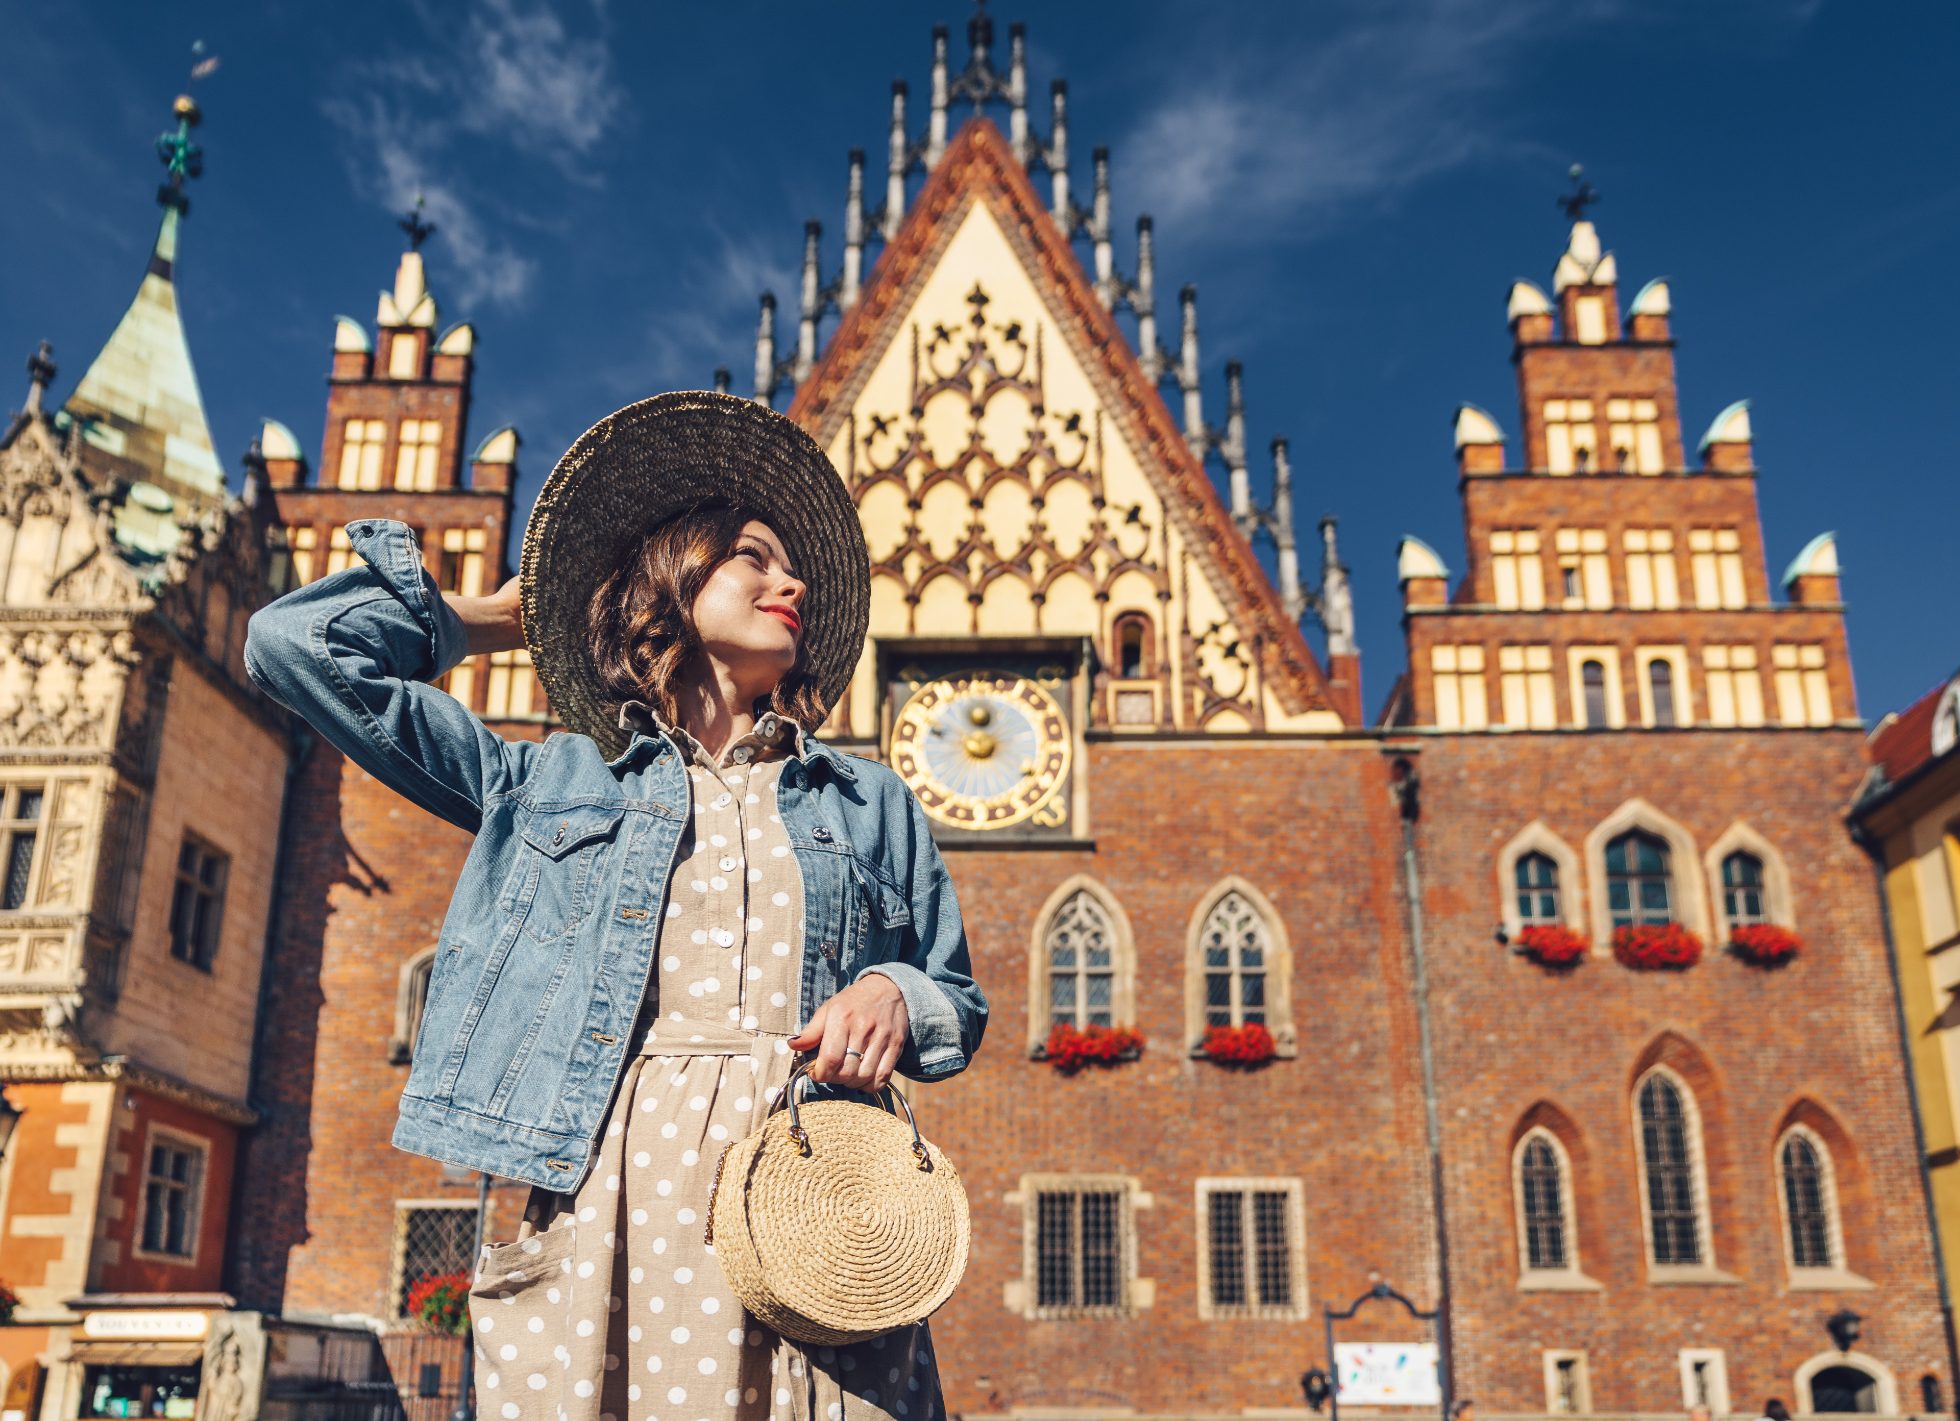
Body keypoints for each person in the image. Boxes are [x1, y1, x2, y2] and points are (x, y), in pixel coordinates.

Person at [245, 391, 987, 1421]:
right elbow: (292, 645)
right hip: (608, 1180)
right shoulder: (544, 780)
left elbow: (956, 997)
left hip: (815, 1194)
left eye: (794, 568)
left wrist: (894, 992)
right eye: (754, 558)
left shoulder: (869, 799)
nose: (794, 582)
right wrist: (508, 614)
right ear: (671, 586)